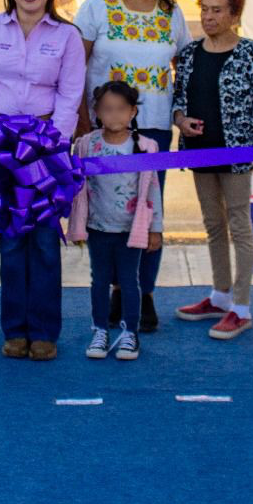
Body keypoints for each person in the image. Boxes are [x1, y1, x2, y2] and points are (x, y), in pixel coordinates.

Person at [0, 0, 86, 361]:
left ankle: (45, 332)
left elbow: (71, 93)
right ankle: (15, 330)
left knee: (44, 244)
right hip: (0, 147)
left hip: (45, 148)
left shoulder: (66, 36)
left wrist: (53, 144)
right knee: (13, 243)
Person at [74, 0, 190, 333]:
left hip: (153, 131)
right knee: (107, 214)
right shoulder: (98, 5)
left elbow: (184, 71)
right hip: (102, 132)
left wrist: (179, 116)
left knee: (146, 211)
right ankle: (112, 288)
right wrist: (82, 120)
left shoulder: (171, 13)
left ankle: (142, 294)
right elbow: (76, 66)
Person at [171, 0, 253, 340]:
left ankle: (242, 307)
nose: (209, 16)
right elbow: (178, 100)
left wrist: (249, 139)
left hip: (237, 156)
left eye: (218, 10)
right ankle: (219, 297)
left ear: (234, 15)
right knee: (213, 224)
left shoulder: (252, 53)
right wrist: (182, 121)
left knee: (239, 225)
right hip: (200, 153)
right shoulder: (188, 55)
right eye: (205, 9)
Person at [68, 81, 163, 361]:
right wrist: (76, 224)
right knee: (98, 281)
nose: (114, 116)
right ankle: (100, 330)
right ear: (97, 112)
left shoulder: (146, 147)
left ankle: (129, 333)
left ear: (133, 112)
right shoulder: (86, 144)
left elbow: (153, 190)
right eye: (107, 110)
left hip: (130, 229)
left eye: (121, 109)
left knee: (129, 281)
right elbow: (77, 188)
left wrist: (155, 229)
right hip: (98, 228)